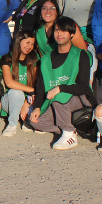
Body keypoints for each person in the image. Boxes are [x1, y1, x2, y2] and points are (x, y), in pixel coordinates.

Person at [29, 16, 96, 150]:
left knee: (59, 96)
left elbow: (83, 86)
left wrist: (60, 88)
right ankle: (75, 127)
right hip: (57, 102)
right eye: (57, 30)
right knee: (36, 123)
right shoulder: (46, 59)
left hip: (80, 100)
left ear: (71, 35)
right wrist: (37, 107)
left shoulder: (81, 55)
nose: (59, 34)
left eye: (64, 31)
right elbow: (41, 87)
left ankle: (69, 134)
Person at [0, 30, 39, 136]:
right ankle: (12, 124)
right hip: (10, 100)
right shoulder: (7, 58)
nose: (30, 46)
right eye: (27, 42)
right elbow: (9, 83)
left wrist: (27, 102)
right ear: (18, 41)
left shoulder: (34, 59)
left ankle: (26, 120)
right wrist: (31, 91)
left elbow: (36, 82)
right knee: (16, 92)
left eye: (32, 43)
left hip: (29, 100)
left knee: (37, 96)